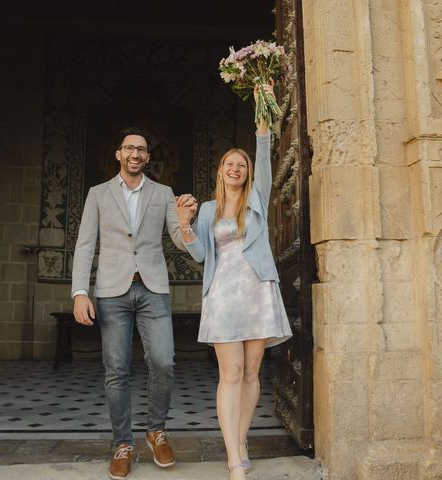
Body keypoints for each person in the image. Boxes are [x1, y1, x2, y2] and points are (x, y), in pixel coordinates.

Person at [176, 83, 292, 480]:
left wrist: (263, 105)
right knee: (230, 373)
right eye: (230, 163)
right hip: (224, 296)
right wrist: (184, 226)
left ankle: (242, 439)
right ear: (221, 170)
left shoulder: (256, 200)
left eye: (241, 164)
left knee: (252, 373)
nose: (236, 168)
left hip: (258, 292)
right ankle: (232, 455)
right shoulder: (207, 210)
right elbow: (200, 255)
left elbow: (263, 150)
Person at [72, 126, 197, 480]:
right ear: (118, 154)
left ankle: (156, 431)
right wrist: (79, 292)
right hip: (112, 291)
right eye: (129, 148)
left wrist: (187, 221)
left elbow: (177, 237)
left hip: (153, 288)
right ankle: (122, 445)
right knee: (117, 371)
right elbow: (85, 244)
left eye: (141, 150)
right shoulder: (98, 194)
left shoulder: (163, 193)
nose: (135, 154)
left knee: (164, 360)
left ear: (147, 157)